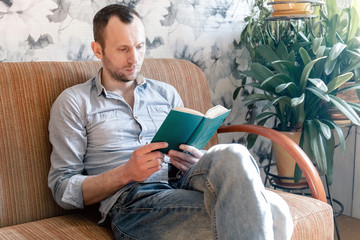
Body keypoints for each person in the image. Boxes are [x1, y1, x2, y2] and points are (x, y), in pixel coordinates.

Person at [48, 4, 293, 240]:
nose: (134, 58)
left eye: (140, 46)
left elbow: (185, 154)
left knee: (235, 154)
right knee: (274, 213)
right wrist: (126, 173)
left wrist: (195, 160)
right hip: (132, 205)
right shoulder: (74, 102)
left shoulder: (165, 94)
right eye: (123, 49)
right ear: (98, 50)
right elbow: (62, 189)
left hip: (181, 184)